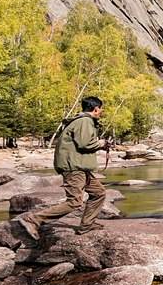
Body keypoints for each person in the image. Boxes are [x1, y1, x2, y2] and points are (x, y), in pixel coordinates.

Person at [17, 96, 111, 239]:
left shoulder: (82, 121)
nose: (101, 111)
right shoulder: (85, 121)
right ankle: (33, 220)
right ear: (96, 108)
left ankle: (87, 224)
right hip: (74, 167)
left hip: (80, 166)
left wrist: (99, 144)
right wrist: (101, 143)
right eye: (101, 108)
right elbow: (85, 144)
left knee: (99, 193)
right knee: (75, 201)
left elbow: (82, 144)